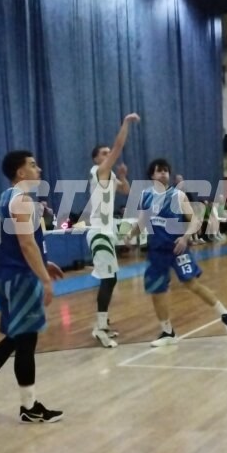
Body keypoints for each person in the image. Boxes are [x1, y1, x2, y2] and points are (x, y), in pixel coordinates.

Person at [0, 151, 65, 423]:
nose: (38, 169)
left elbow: (17, 243)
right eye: (32, 165)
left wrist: (45, 263)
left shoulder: (4, 199)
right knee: (27, 339)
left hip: (6, 275)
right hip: (20, 279)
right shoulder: (22, 201)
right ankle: (29, 407)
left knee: (16, 337)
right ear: (20, 172)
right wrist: (44, 279)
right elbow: (26, 243)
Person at [138, 158, 227, 347]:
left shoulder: (178, 196)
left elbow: (195, 221)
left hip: (177, 248)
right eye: (159, 170)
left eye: (166, 170)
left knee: (191, 283)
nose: (163, 173)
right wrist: (129, 235)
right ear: (152, 175)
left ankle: (225, 313)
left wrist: (185, 237)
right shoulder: (146, 196)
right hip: (157, 250)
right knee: (157, 291)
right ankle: (167, 332)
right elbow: (142, 222)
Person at [86, 112, 139, 348]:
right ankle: (99, 327)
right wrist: (126, 123)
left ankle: (103, 323)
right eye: (104, 153)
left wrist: (124, 176)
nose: (109, 155)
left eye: (108, 153)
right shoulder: (97, 171)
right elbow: (119, 146)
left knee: (111, 278)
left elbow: (125, 190)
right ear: (96, 159)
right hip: (99, 232)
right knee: (108, 279)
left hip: (107, 232)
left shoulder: (109, 175)